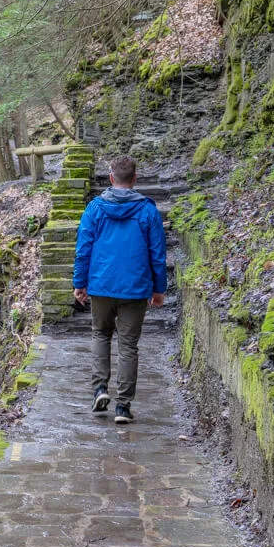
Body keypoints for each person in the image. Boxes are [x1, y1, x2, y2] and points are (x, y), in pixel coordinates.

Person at [72, 155, 167, 424]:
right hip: (135, 288)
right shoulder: (148, 211)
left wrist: (80, 283)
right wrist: (159, 289)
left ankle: (100, 389)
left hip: (101, 285)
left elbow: (83, 249)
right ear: (135, 179)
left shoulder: (95, 209)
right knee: (128, 345)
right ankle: (123, 406)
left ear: (111, 178)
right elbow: (157, 254)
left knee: (100, 334)